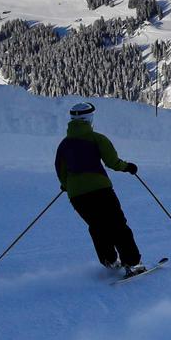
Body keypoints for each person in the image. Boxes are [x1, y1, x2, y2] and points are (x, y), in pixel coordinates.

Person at [55, 102, 145, 275]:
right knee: (117, 225)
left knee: (97, 226)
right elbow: (113, 162)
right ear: (89, 119)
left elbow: (60, 170)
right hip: (100, 190)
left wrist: (67, 185)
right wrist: (128, 167)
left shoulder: (64, 145)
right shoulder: (97, 139)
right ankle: (133, 263)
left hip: (77, 196)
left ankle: (109, 261)